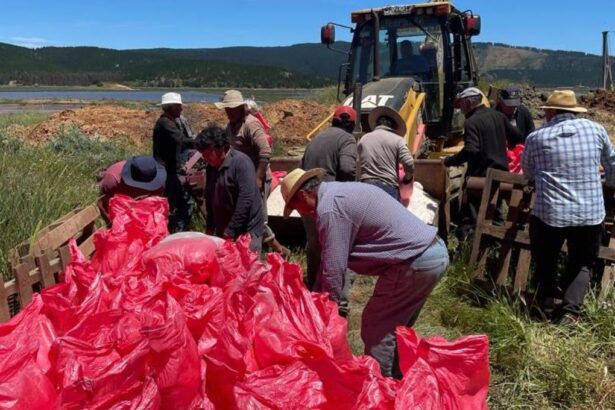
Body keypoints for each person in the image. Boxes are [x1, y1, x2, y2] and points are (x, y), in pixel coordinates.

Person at [281, 168, 448, 378]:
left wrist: (326, 312)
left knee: (376, 327)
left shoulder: (331, 209)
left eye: (296, 207)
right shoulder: (339, 193)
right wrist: (315, 294)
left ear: (304, 195)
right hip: (433, 253)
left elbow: (334, 269)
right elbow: (329, 262)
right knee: (396, 328)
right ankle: (400, 381)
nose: (302, 213)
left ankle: (382, 391)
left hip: (415, 261)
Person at [521, 89, 615, 324]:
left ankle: (546, 306)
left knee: (546, 259)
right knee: (582, 262)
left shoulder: (536, 137)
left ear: (551, 112)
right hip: (590, 214)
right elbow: (612, 165)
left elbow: (528, 173)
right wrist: (610, 186)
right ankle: (571, 312)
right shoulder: (596, 130)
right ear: (574, 111)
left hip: (550, 213)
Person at [215, 89, 289, 256]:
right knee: (246, 213)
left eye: (231, 109)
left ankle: (270, 251)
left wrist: (258, 177)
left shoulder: (250, 123)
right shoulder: (231, 126)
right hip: (242, 177)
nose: (228, 112)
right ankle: (271, 248)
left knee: (257, 217)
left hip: (256, 176)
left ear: (240, 108)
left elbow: (265, 151)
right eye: (226, 109)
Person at [444, 87, 523, 237]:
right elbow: (517, 136)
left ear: (468, 103)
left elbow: (471, 150)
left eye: (461, 105)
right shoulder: (499, 116)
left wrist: (450, 161)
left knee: (470, 218)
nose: (460, 110)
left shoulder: (471, 122)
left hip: (481, 178)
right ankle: (495, 245)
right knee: (496, 215)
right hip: (501, 176)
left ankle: (467, 250)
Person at [300, 105, 358, 308]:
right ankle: (336, 301)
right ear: (352, 125)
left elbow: (301, 168)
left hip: (307, 198)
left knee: (314, 244)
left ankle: (313, 290)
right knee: (336, 248)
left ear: (332, 121)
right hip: (329, 200)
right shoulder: (347, 139)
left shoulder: (317, 138)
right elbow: (348, 169)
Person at [196, 125, 264, 253]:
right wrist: (210, 228)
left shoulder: (241, 163)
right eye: (203, 154)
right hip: (226, 230)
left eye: (208, 153)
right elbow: (210, 197)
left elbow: (246, 198)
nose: (205, 157)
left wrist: (231, 230)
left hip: (246, 231)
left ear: (221, 147)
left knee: (246, 268)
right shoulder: (211, 167)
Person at [153, 92, 196, 232]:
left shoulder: (170, 122)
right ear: (170, 107)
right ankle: (179, 231)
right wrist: (201, 142)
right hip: (167, 170)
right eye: (178, 106)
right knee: (183, 201)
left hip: (169, 169)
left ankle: (172, 228)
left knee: (174, 201)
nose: (181, 109)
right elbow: (181, 140)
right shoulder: (165, 123)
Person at [358, 106, 414, 201]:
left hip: (365, 187)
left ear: (377, 123)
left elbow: (358, 162)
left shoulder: (364, 138)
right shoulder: (398, 140)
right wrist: (407, 178)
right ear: (394, 126)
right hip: (387, 188)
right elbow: (409, 163)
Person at [98, 155, 166, 217]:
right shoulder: (113, 181)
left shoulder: (157, 180)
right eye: (139, 187)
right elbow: (103, 204)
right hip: (120, 202)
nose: (141, 190)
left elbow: (155, 205)